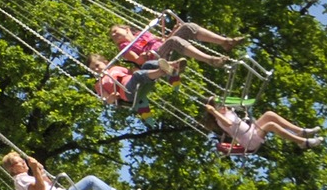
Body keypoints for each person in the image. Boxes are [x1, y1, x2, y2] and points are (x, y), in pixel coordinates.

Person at [2, 152, 139, 190]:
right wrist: (34, 169)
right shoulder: (20, 180)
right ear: (13, 168)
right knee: (90, 180)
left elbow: (48, 184)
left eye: (21, 159)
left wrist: (40, 170)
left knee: (91, 181)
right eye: (18, 161)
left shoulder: (25, 178)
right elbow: (40, 188)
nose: (22, 162)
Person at [110, 16, 239, 68]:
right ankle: (209, 59)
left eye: (115, 31)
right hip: (156, 56)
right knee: (173, 41)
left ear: (126, 29)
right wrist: (143, 56)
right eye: (112, 35)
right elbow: (138, 61)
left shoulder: (141, 34)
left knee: (189, 27)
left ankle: (225, 42)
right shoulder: (124, 47)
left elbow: (162, 40)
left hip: (164, 46)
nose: (114, 35)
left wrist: (174, 30)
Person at [202, 102, 324, 153]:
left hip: (251, 131)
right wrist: (213, 112)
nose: (222, 106)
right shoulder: (220, 120)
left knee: (269, 115)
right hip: (249, 141)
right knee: (270, 125)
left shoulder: (227, 111)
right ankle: (302, 142)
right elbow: (228, 123)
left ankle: (300, 132)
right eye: (219, 106)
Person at [87, 52, 179, 115]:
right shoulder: (99, 84)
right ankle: (162, 71)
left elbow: (130, 73)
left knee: (147, 65)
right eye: (92, 69)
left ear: (105, 62)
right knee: (137, 75)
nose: (96, 69)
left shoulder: (115, 68)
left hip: (133, 81)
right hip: (126, 92)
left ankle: (172, 64)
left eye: (97, 65)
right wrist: (111, 98)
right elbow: (106, 100)